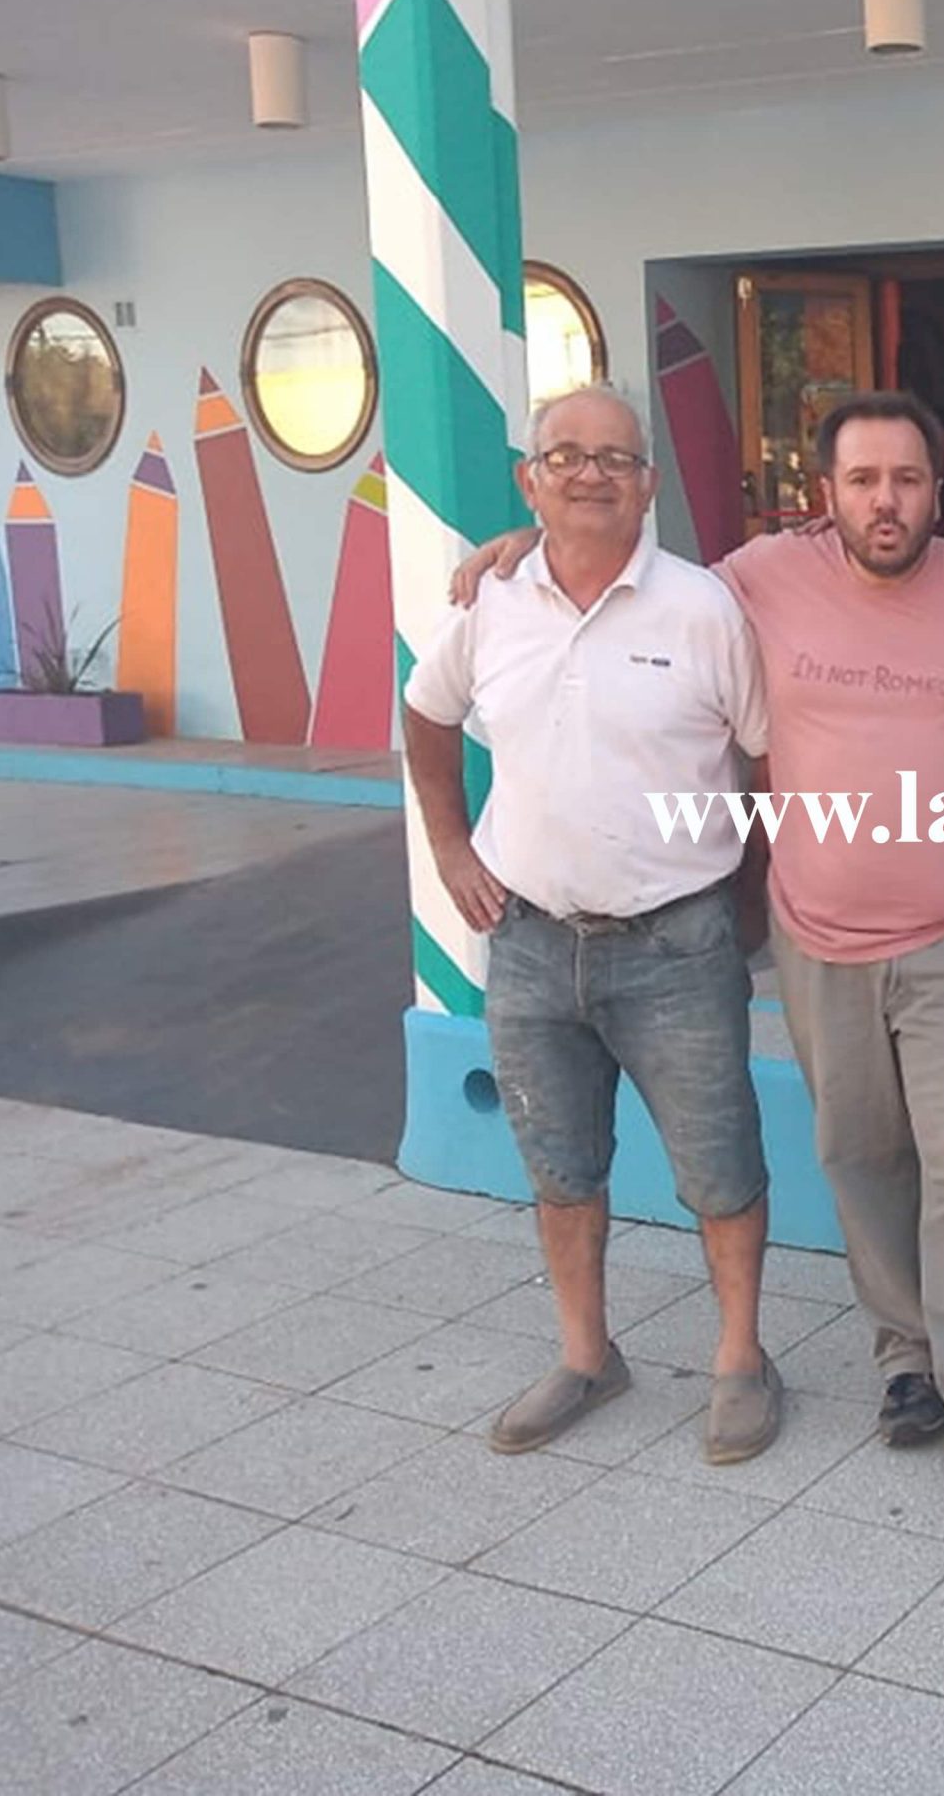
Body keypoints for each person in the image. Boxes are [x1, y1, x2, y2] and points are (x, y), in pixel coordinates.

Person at [403, 382, 781, 1466]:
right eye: (564, 455)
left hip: (679, 942)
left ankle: (741, 1360)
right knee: (560, 1165)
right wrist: (450, 851)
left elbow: (763, 760)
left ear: (649, 485)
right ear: (531, 479)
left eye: (615, 458)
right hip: (528, 940)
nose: (589, 474)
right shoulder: (493, 601)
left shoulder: (704, 608)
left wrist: (743, 908)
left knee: (720, 1166)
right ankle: (584, 1356)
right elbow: (426, 719)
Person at [716, 390, 944, 1506]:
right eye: (862, 481)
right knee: (861, 1153)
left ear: (935, 490)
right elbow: (639, 603)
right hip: (817, 940)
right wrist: (526, 546)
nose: (884, 501)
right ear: (827, 494)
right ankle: (907, 1362)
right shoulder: (759, 578)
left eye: (905, 479)